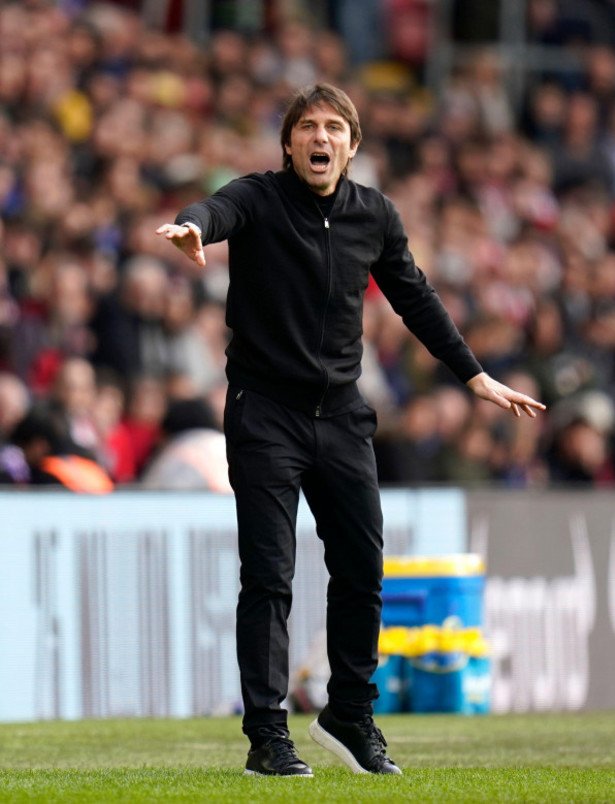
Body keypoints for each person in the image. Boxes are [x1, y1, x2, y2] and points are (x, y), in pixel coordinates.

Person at [157, 83, 545, 778]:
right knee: (269, 577)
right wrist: (192, 228)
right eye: (308, 126)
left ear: (352, 145)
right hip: (264, 413)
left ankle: (350, 716)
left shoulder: (375, 215)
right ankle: (267, 737)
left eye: (334, 127)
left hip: (341, 415)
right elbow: (215, 210)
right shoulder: (258, 197)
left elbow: (415, 296)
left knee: (364, 571)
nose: (321, 137)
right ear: (289, 143)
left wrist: (474, 376)